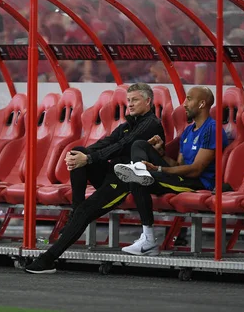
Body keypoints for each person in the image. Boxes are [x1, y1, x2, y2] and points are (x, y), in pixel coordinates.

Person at [25, 83, 165, 274]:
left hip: (126, 181)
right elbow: (107, 142)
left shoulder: (151, 124)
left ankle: (47, 259)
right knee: (78, 151)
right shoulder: (128, 124)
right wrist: (82, 156)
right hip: (111, 172)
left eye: (135, 100)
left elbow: (121, 145)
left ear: (148, 101)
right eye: (128, 100)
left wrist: (89, 159)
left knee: (86, 210)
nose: (129, 104)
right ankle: (75, 210)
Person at [113, 86, 228, 255]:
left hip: (196, 183)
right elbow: (177, 165)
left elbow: (196, 170)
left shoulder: (212, 129)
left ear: (202, 103)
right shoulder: (189, 130)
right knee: (140, 146)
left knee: (137, 178)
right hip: (179, 177)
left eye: (189, 99)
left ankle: (149, 240)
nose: (184, 104)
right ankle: (147, 237)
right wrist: (160, 153)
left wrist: (160, 168)